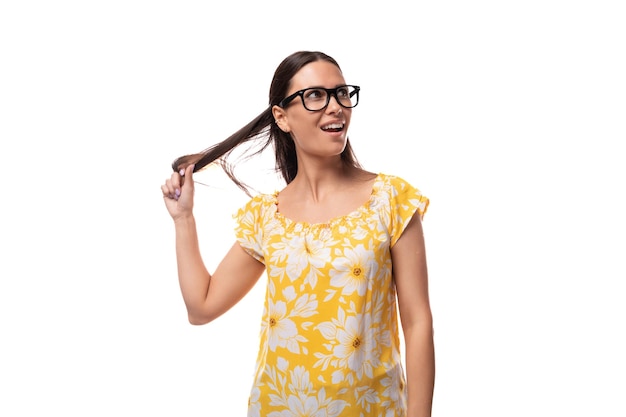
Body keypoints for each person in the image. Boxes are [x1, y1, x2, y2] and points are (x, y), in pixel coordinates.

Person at [161, 51, 435, 417]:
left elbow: (418, 324)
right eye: (316, 95)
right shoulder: (266, 218)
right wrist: (183, 219)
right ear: (282, 117)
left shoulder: (391, 201)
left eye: (341, 93)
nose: (335, 106)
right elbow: (202, 307)